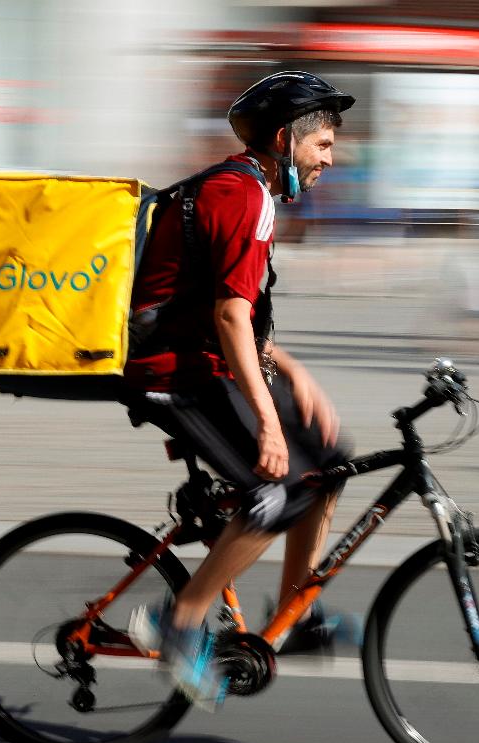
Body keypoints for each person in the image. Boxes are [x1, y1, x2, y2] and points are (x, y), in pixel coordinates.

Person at [122, 72, 355, 706]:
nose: (332, 160)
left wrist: (294, 373)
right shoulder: (243, 197)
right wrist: (270, 424)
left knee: (330, 465)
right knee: (274, 496)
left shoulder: (244, 188)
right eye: (324, 145)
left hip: (210, 360)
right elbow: (228, 317)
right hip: (176, 373)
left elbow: (231, 310)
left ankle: (294, 612)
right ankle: (181, 622)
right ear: (286, 140)